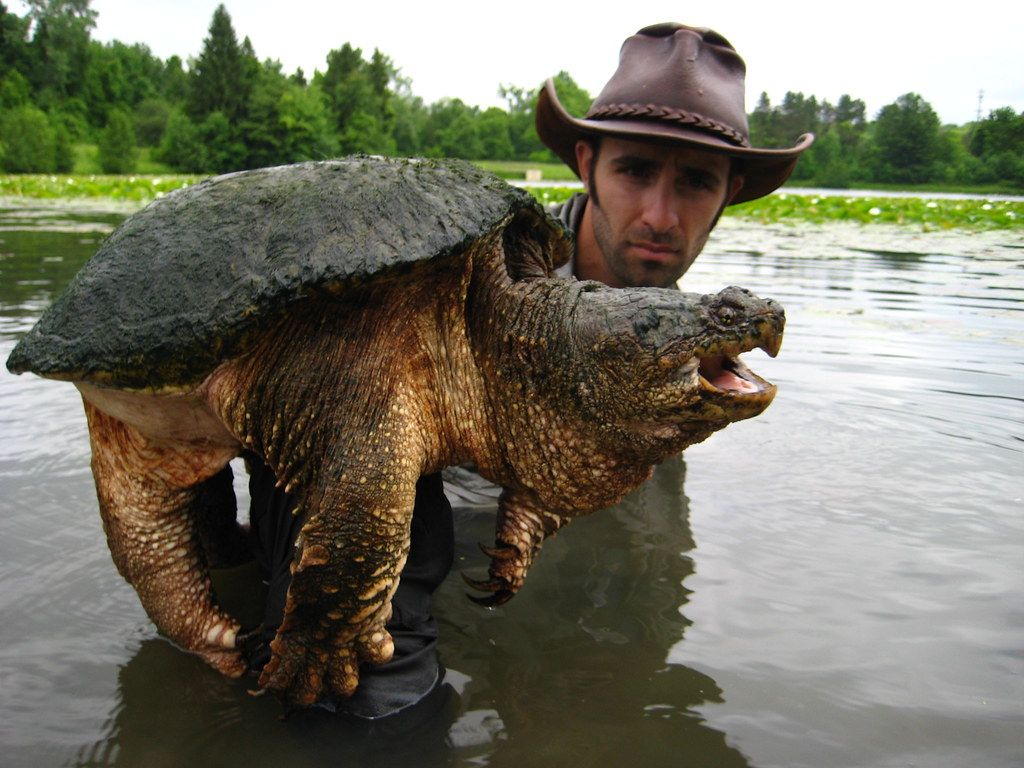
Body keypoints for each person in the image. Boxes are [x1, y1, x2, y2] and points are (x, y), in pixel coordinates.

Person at [243, 21, 812, 718]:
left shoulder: (691, 331)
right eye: (635, 170)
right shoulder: (466, 298)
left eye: (696, 181)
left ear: (728, 195)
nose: (662, 215)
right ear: (586, 161)